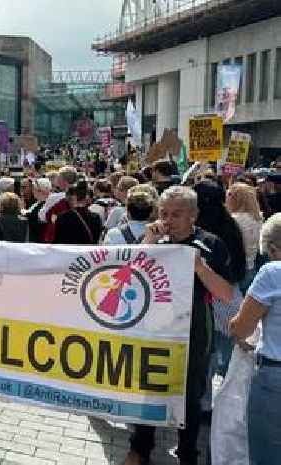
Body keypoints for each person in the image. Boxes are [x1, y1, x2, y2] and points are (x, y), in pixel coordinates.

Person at [123, 185, 234, 465]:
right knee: (149, 390)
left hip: (194, 329)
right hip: (155, 328)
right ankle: (140, 449)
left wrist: (199, 268)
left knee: (190, 397)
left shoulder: (211, 243)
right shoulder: (154, 240)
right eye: (163, 213)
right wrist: (147, 242)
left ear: (193, 215)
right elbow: (127, 280)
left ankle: (187, 455)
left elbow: (226, 294)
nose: (168, 220)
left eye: (176, 214)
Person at [230, 213, 281, 465]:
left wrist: (234, 327)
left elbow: (241, 327)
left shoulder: (273, 272)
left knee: (268, 456)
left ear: (273, 248)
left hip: (275, 377)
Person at [194, 180, 247, 377]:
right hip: (229, 294)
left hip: (210, 298)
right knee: (226, 353)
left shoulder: (202, 234)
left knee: (208, 355)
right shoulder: (230, 224)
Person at [226, 182, 264, 293]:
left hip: (237, 270)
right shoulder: (258, 219)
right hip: (252, 267)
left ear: (235, 199)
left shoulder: (233, 220)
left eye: (229, 195)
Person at [54, 181, 102, 245]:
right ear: (86, 197)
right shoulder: (96, 217)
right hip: (87, 253)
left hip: (69, 253)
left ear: (72, 197)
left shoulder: (62, 217)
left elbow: (59, 242)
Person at [38, 166, 76, 243]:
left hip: (58, 235)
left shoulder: (54, 197)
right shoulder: (80, 196)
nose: (57, 180)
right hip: (76, 234)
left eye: (59, 178)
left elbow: (42, 216)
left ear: (63, 180)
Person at [26, 178, 52, 243]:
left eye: (34, 189)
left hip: (40, 240)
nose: (33, 191)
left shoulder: (46, 204)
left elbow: (37, 220)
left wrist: (27, 215)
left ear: (41, 191)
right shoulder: (38, 202)